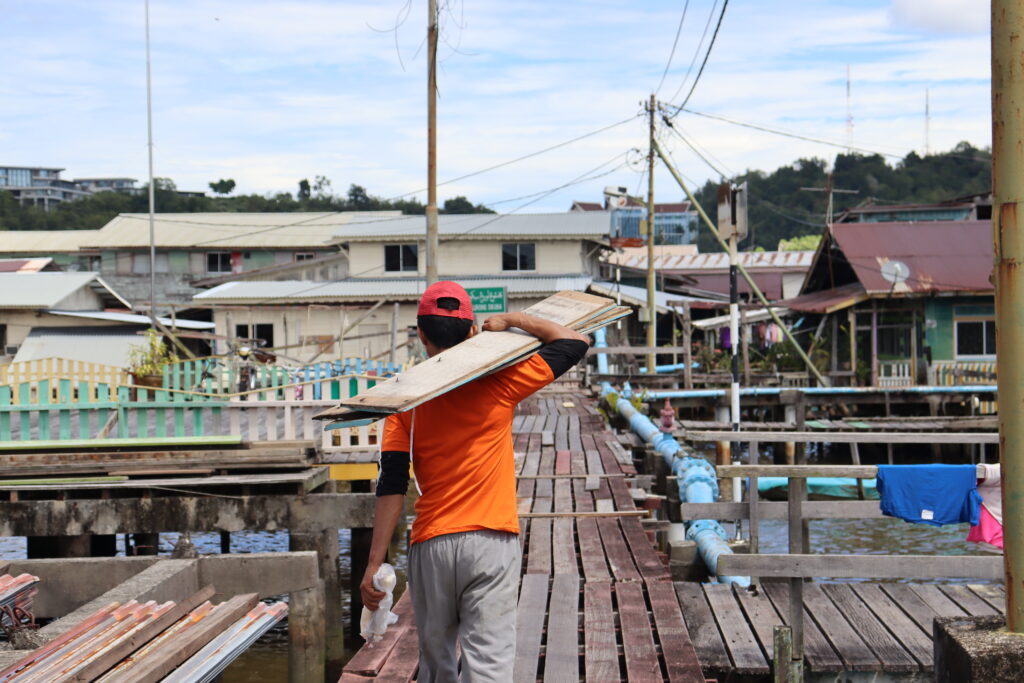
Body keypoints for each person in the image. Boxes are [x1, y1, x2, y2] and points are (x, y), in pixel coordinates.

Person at [359, 280, 590, 682]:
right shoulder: (499, 383)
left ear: (420, 335)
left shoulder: (404, 402)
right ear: (470, 331)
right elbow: (574, 342)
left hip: (432, 542)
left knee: (437, 665)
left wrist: (374, 565)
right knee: (490, 665)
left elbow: (391, 485)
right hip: (491, 540)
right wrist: (512, 320)